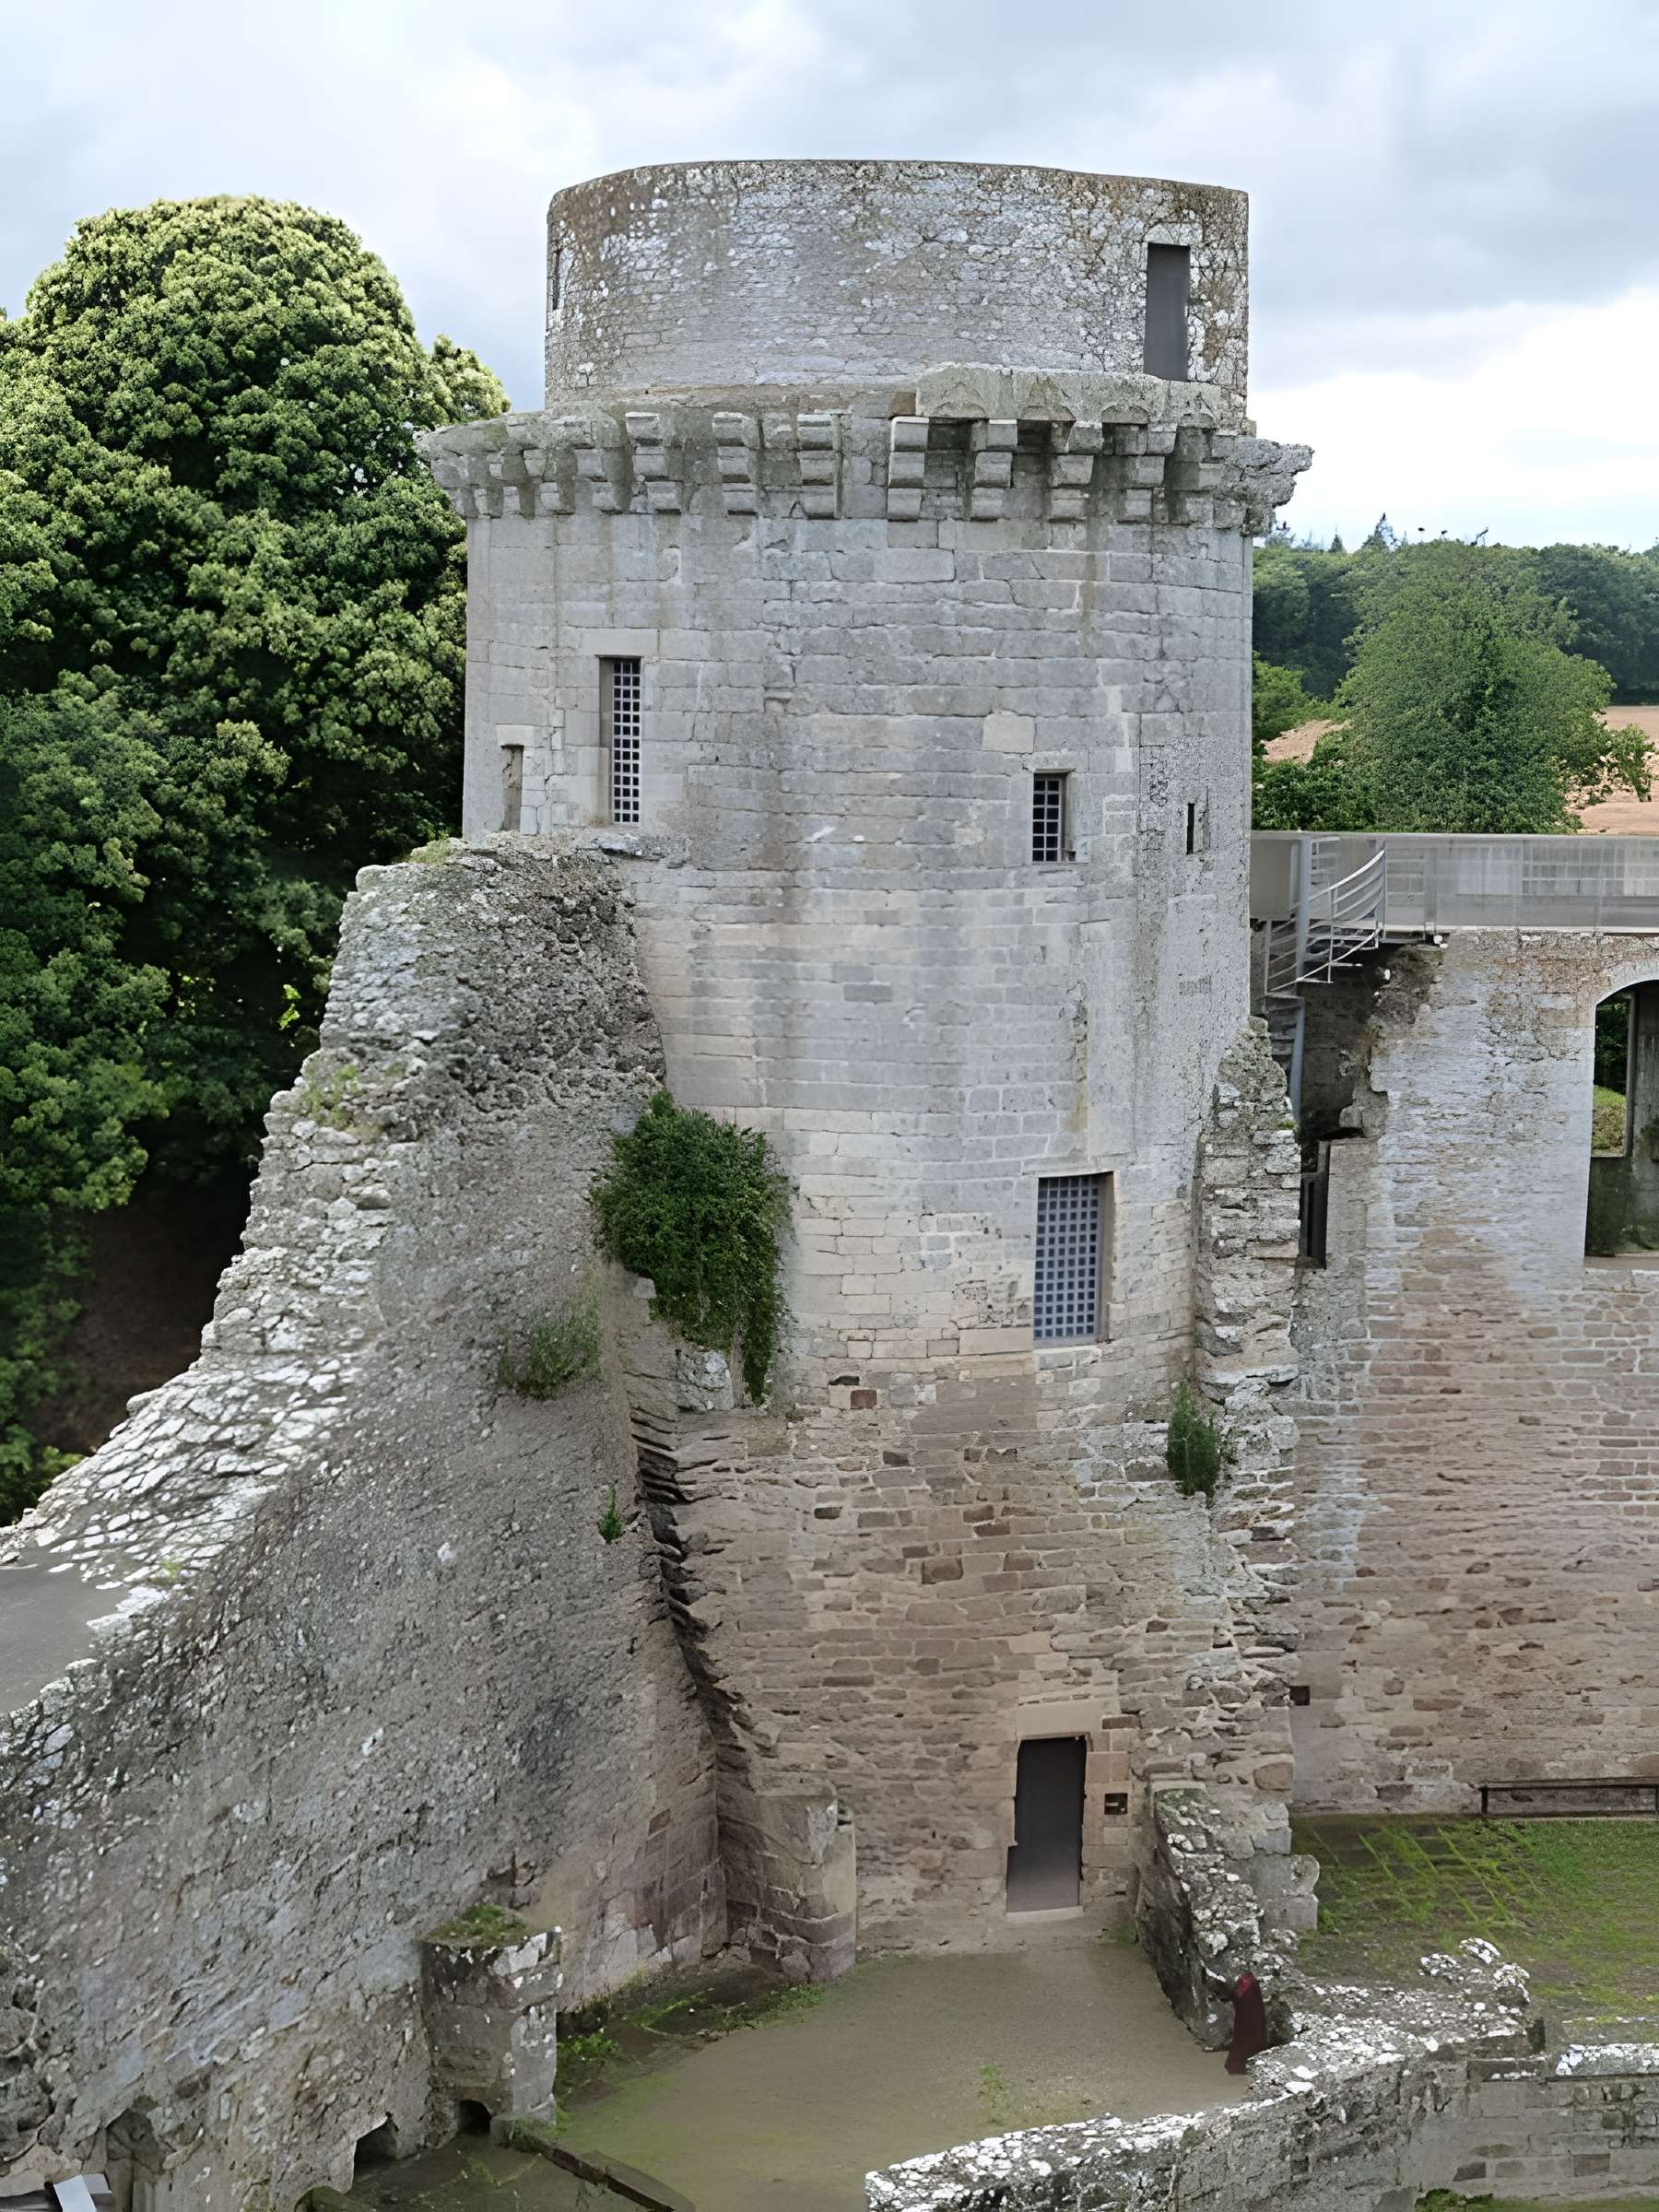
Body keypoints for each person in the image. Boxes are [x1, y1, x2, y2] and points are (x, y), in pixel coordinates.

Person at [1225, 1971, 1268, 2074]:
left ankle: (1239, 2065)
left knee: (1244, 2041)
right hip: (1247, 2021)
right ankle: (1240, 2065)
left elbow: (1239, 1998)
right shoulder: (1251, 1985)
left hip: (1247, 2021)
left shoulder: (1249, 1984)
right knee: (1245, 2040)